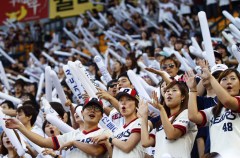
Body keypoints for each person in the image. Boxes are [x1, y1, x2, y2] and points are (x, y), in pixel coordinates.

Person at [5, 98, 108, 158]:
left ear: (102, 116)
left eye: (97, 109)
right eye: (89, 108)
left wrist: (74, 142)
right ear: (82, 112)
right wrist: (20, 127)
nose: (93, 111)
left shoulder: (105, 132)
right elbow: (43, 142)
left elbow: (96, 152)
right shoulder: (71, 135)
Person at [186, 68, 240, 157]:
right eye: (224, 79)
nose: (229, 82)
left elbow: (227, 101)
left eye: (233, 78)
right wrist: (192, 90)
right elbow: (193, 116)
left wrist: (210, 77)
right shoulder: (213, 110)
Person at [139, 81, 197, 158]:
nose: (169, 93)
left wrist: (161, 109)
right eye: (167, 91)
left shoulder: (186, 114)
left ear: (183, 96)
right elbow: (145, 142)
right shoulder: (163, 120)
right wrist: (144, 117)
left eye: (174, 90)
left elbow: (171, 135)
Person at [92, 88, 145, 158]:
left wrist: (109, 137)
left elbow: (127, 147)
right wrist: (107, 142)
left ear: (136, 104)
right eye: (120, 100)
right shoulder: (117, 131)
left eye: (128, 99)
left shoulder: (141, 122)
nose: (123, 103)